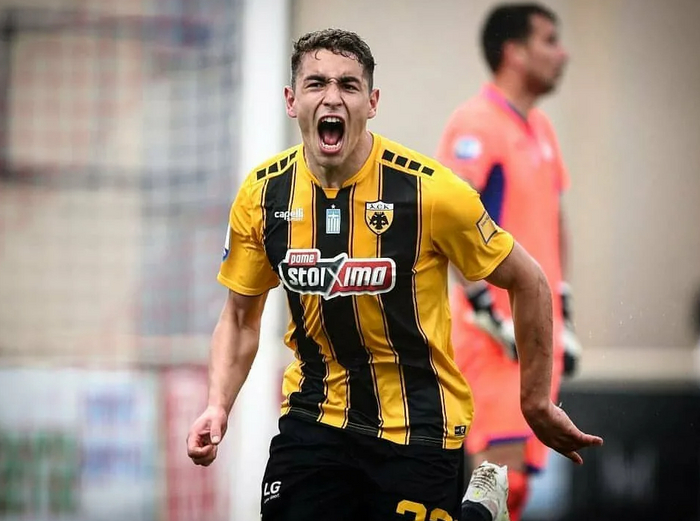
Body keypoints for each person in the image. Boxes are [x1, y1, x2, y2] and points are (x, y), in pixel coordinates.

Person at [186, 28, 601, 521]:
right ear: (292, 101)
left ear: (372, 102)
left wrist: (535, 403)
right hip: (314, 420)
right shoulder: (262, 195)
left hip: (419, 426)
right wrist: (218, 404)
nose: (332, 97)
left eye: (349, 85)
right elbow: (239, 318)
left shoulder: (429, 193)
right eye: (316, 83)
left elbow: (529, 280)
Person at [435, 4, 583, 520]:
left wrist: (563, 312)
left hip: (538, 337)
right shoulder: (475, 123)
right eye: (549, 41)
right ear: (514, 52)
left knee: (514, 493)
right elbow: (450, 219)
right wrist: (484, 308)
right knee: (497, 481)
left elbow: (554, 219)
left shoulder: (541, 127)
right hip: (497, 340)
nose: (562, 54)